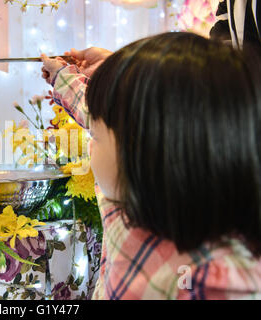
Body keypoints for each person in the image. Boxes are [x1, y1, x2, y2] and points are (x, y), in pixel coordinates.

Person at [41, 32, 261, 299]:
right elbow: (95, 111)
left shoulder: (219, 280)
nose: (90, 145)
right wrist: (70, 75)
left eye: (95, 136)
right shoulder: (124, 198)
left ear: (143, 150)